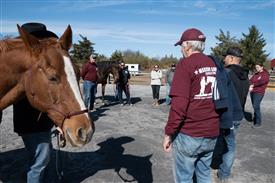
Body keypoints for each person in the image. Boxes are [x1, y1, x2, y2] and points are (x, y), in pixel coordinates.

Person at [163, 28, 219, 183]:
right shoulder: (214, 63)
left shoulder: (185, 64)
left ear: (187, 45)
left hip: (190, 133)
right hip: (212, 131)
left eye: (181, 45)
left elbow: (179, 106)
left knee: (184, 178)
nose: (181, 49)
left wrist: (168, 133)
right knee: (204, 174)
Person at [14, 22, 57, 183]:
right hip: (33, 124)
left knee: (43, 158)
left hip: (38, 123)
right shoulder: (29, 70)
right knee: (39, 162)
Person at [216, 47, 249, 182]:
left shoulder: (227, 73)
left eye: (225, 57)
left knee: (229, 145)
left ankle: (224, 173)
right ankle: (222, 166)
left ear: (231, 58)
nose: (224, 59)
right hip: (238, 114)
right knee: (228, 142)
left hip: (228, 115)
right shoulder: (245, 75)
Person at [249, 63, 269, 128]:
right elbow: (250, 80)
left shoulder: (265, 74)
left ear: (261, 67)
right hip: (252, 92)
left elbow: (262, 82)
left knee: (256, 106)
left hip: (259, 92)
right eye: (256, 67)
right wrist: (250, 85)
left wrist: (253, 85)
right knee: (254, 106)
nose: (256, 68)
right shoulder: (256, 74)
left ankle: (258, 122)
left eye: (257, 67)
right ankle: (255, 119)